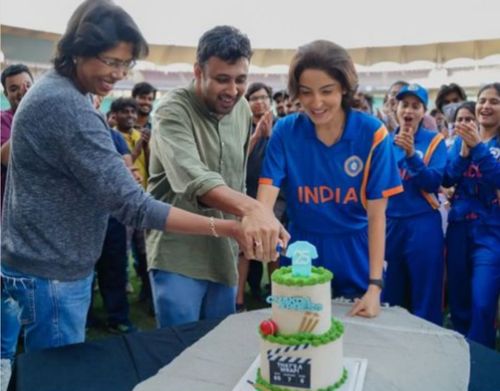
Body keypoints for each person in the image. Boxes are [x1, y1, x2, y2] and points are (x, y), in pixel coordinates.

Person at [0, 0, 253, 358]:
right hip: (50, 275)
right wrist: (230, 227)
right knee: (56, 377)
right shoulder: (67, 105)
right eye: (111, 61)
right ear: (78, 49)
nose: (119, 74)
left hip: (41, 263)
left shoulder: (68, 92)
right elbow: (134, 206)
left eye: (126, 64)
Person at [146, 25, 289, 327]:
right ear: (198, 71)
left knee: (218, 349)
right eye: (222, 79)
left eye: (240, 80)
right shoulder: (171, 112)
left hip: (225, 251)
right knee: (179, 354)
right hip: (179, 255)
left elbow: (235, 178)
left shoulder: (241, 111)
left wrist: (252, 224)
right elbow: (196, 179)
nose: (233, 91)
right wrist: (255, 210)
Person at [257, 40, 403, 318]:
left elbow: (377, 216)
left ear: (345, 88)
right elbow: (266, 197)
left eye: (327, 91)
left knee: (359, 339)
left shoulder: (373, 134)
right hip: (301, 250)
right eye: (306, 92)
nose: (316, 103)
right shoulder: (285, 132)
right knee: (300, 336)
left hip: (355, 250)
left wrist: (374, 286)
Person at [382, 84, 447, 325]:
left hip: (423, 223)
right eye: (404, 105)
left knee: (426, 293)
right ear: (395, 108)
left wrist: (411, 156)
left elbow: (434, 182)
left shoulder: (434, 141)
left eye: (415, 106)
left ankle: (430, 347)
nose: (409, 111)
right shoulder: (384, 142)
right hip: (391, 224)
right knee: (391, 295)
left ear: (423, 111)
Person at [443, 85, 500, 348]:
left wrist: (477, 147)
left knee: (483, 301)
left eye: (494, 102)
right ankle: (462, 359)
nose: (486, 106)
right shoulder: (459, 141)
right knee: (460, 301)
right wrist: (464, 153)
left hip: (490, 232)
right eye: (482, 101)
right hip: (457, 229)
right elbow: (448, 178)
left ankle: (482, 365)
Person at [1, 64, 34, 207]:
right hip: (8, 211)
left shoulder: (47, 118)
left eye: (27, 85)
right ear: (6, 94)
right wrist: (26, 113)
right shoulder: (3, 120)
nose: (23, 92)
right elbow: (5, 158)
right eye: (14, 89)